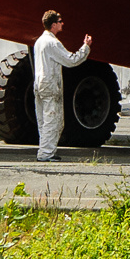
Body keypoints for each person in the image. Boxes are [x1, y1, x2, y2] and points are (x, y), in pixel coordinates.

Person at [32, 10, 92, 162]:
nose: (62, 23)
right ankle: (46, 154)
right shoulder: (53, 43)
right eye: (60, 21)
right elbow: (71, 60)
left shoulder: (39, 41)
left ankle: (44, 150)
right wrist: (85, 47)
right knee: (54, 120)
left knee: (43, 120)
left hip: (39, 83)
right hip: (50, 83)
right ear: (53, 25)